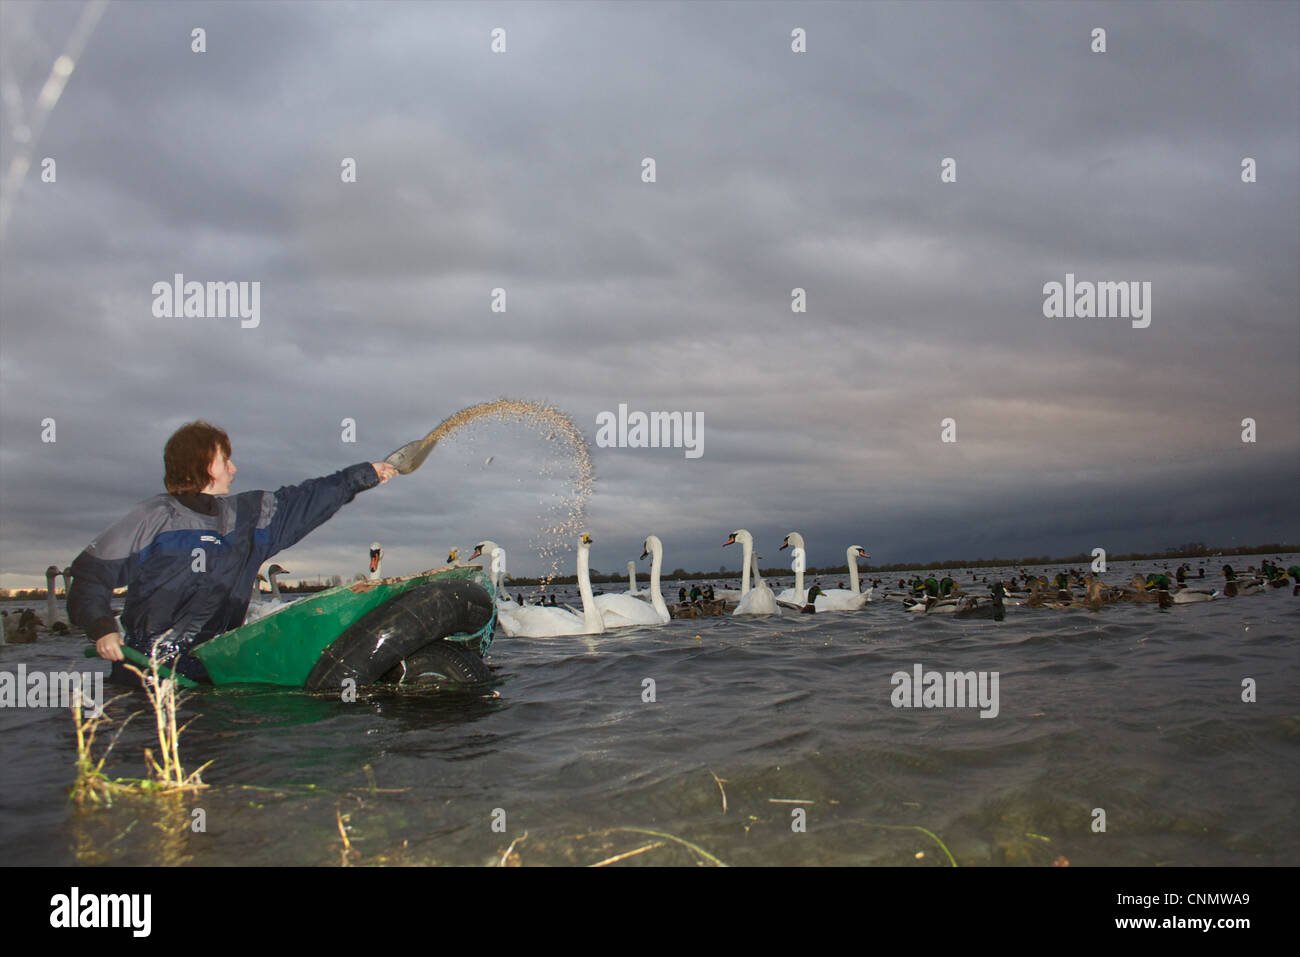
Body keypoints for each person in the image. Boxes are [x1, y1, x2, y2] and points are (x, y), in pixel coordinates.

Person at [68, 421, 398, 685]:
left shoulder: (246, 518)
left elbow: (305, 500)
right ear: (202, 465)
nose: (234, 468)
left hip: (210, 670)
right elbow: (89, 577)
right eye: (225, 460)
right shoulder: (152, 517)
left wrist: (363, 475)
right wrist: (102, 628)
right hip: (145, 673)